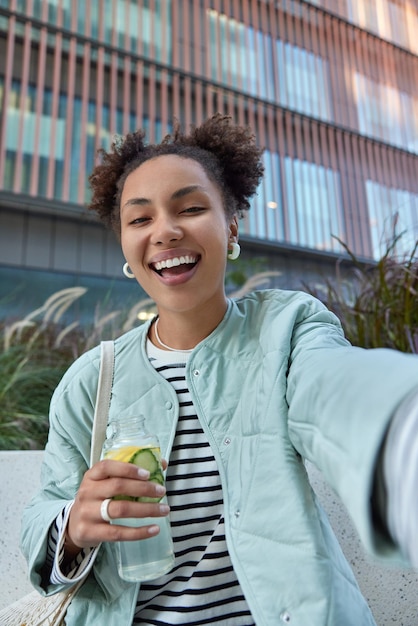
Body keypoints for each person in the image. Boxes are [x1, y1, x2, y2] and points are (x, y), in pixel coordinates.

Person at [21, 114, 418, 625]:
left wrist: (402, 433)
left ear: (231, 226)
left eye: (189, 208)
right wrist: (75, 521)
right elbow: (40, 521)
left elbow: (339, 393)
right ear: (124, 244)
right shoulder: (92, 379)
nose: (164, 231)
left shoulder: (287, 329)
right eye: (139, 219)